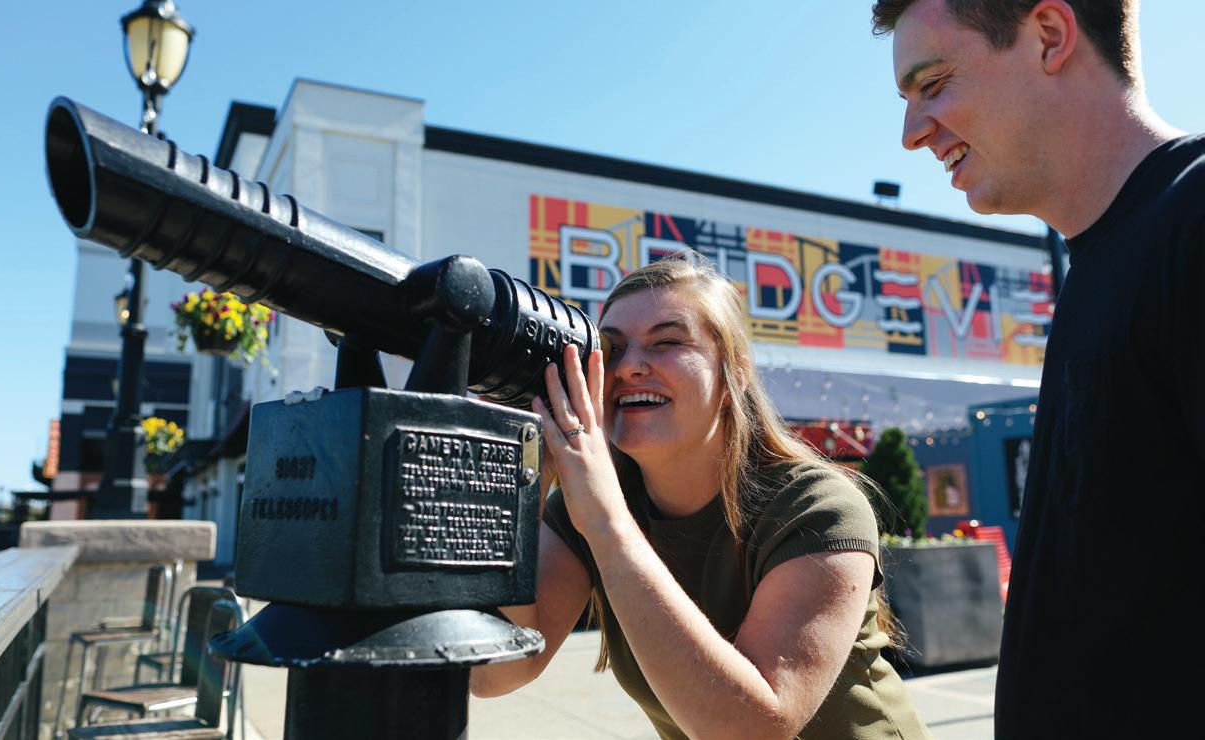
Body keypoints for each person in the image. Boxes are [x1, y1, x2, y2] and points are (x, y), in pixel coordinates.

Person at [872, 0, 1204, 735]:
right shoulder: (1103, 262)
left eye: (934, 84)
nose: (911, 133)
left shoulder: (1192, 221)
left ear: (1050, 36)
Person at [470, 256, 930, 739]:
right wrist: (525, 481)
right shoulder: (587, 506)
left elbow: (752, 728)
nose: (629, 367)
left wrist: (608, 526)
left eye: (667, 342)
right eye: (612, 348)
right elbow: (494, 672)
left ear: (736, 373)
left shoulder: (817, 506)